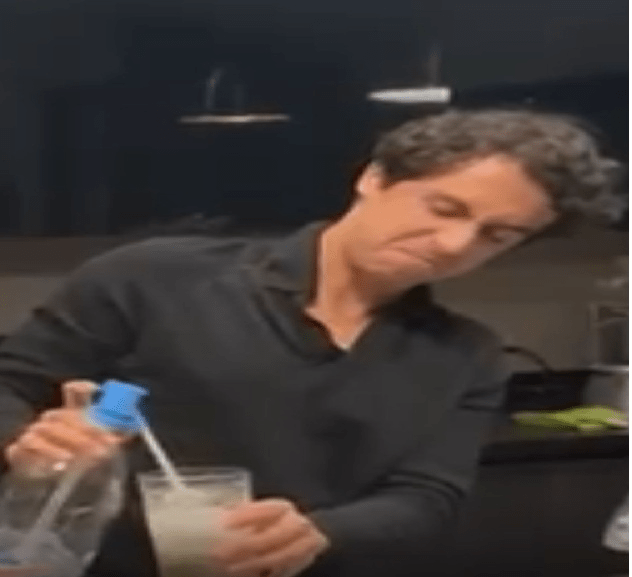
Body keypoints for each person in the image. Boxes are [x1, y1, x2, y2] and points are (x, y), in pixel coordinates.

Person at [0, 109, 621, 577]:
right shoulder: (156, 278)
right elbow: (11, 385)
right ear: (374, 177)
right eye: (444, 208)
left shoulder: (467, 353)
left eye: (497, 236)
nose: (456, 245)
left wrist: (322, 532)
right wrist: (33, 441)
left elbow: (427, 497)